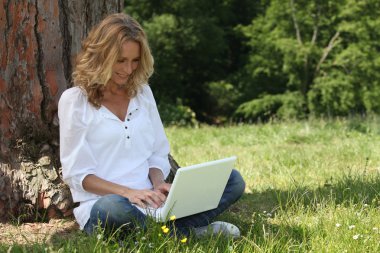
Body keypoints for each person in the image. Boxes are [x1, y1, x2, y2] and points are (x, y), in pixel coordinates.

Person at [58, 13, 245, 238]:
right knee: (111, 207)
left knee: (232, 180)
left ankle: (165, 234)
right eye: (120, 60)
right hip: (106, 206)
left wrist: (158, 185)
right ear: (101, 56)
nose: (128, 69)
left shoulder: (143, 93)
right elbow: (78, 175)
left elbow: (157, 153)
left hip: (153, 204)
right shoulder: (75, 100)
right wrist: (128, 193)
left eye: (135, 60)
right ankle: (186, 234)